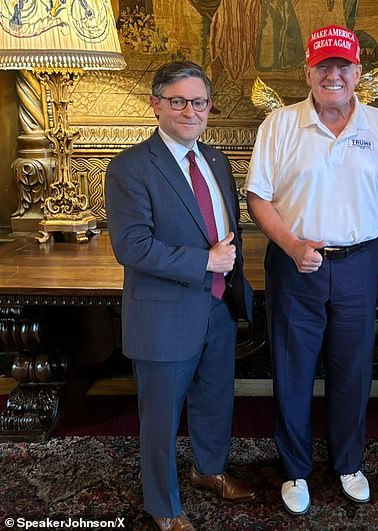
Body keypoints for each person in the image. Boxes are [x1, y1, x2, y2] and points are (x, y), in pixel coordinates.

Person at [245, 24, 378, 516]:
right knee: (292, 369)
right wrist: (292, 245)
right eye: (323, 66)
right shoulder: (280, 125)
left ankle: (348, 462)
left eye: (343, 66)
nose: (333, 75)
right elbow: (258, 197)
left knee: (352, 370)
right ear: (307, 72)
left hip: (359, 265)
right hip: (296, 267)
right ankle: (294, 469)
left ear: (358, 72)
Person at [105, 61, 255, 531]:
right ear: (156, 104)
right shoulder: (129, 167)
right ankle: (164, 507)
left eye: (199, 102)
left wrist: (227, 275)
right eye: (179, 101)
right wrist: (203, 263)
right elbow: (131, 246)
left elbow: (227, 229)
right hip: (164, 314)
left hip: (217, 307)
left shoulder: (214, 159)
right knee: (161, 418)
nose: (191, 111)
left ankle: (208, 470)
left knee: (215, 400)